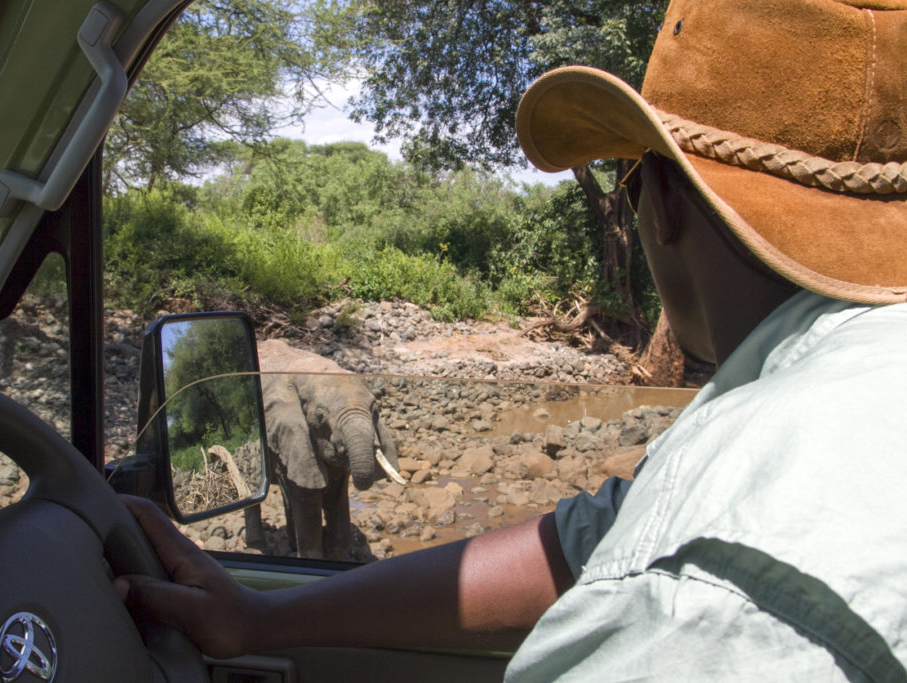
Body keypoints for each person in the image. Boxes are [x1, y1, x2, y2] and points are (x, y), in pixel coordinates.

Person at [116, 0, 907, 677]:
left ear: (662, 201)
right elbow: (587, 543)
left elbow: (654, 552)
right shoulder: (819, 401)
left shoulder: (711, 580)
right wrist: (261, 620)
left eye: (631, 179)